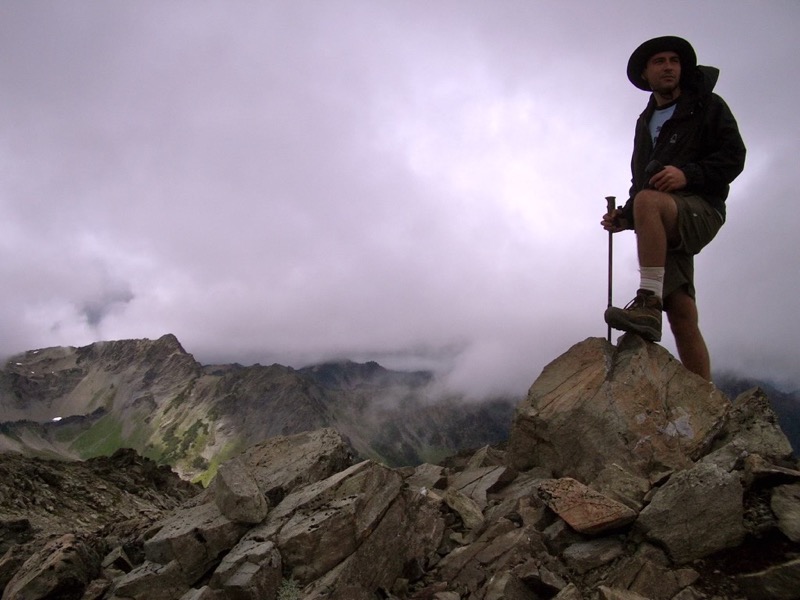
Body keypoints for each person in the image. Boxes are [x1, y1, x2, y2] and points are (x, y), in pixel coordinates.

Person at [602, 36, 746, 381]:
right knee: (681, 311)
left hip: (702, 208)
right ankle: (705, 397)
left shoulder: (707, 106)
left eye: (674, 61)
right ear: (645, 74)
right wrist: (625, 216)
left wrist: (688, 175)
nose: (668, 67)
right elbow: (642, 182)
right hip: (666, 215)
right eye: (659, 62)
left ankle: (648, 303)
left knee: (650, 201)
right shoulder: (646, 121)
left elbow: (733, 158)